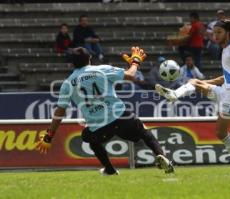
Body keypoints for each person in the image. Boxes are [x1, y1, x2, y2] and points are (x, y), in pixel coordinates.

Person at [35, 47, 174, 175]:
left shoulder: (67, 83)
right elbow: (130, 75)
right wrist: (135, 62)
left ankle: (110, 169)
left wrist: (49, 136)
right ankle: (161, 155)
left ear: (72, 63)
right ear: (89, 58)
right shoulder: (102, 69)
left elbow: (59, 113)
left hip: (98, 127)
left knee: (88, 136)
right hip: (119, 116)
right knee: (144, 131)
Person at [155, 19, 230, 171]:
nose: (215, 36)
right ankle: (174, 94)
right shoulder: (226, 50)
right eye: (214, 33)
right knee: (194, 81)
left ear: (228, 32)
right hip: (225, 90)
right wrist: (206, 82)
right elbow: (226, 76)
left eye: (219, 32)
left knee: (220, 132)